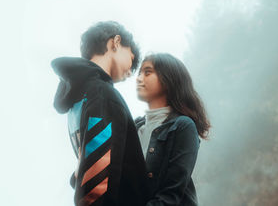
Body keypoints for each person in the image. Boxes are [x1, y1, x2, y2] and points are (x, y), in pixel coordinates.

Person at [51, 21, 150, 205]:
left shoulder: (78, 98)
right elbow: (97, 183)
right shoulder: (102, 95)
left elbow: (90, 166)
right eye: (131, 57)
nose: (131, 72)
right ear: (116, 43)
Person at [134, 53, 211, 205]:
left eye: (147, 72)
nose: (139, 78)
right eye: (139, 73)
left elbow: (171, 195)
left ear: (167, 79)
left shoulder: (183, 126)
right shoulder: (135, 127)